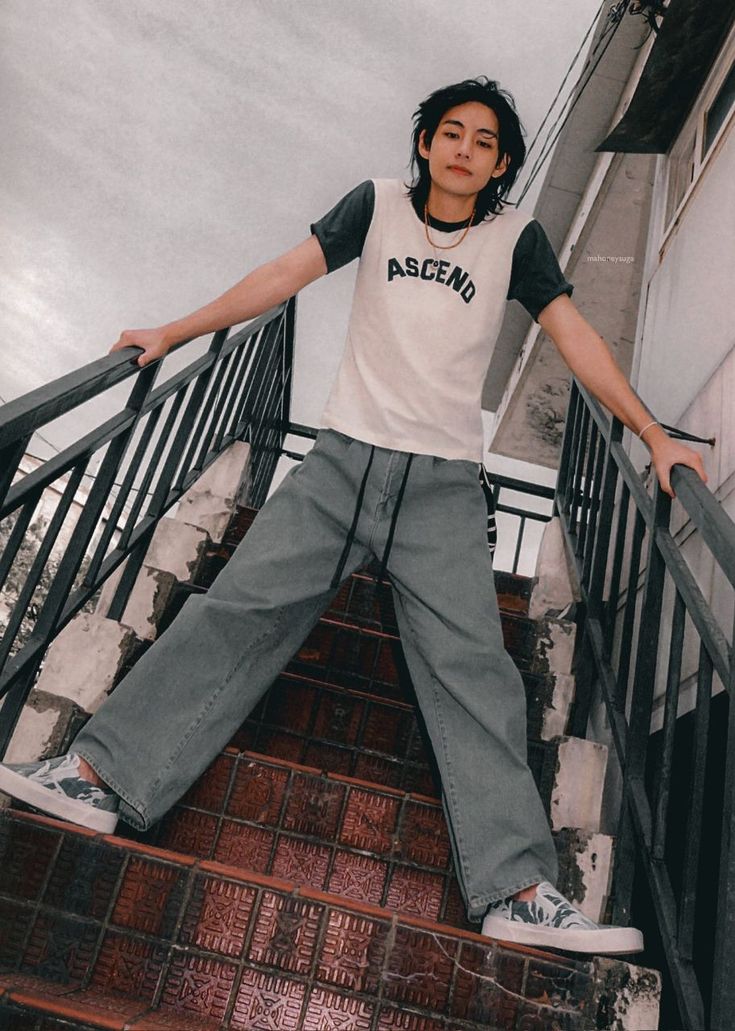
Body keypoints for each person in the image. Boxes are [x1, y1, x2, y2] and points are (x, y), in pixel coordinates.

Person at [0, 77, 707, 955]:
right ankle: (96, 773)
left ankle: (519, 889)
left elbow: (574, 336)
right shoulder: (373, 206)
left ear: (502, 164)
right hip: (340, 459)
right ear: (424, 144)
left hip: (443, 483)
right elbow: (281, 276)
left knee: (474, 670)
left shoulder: (513, 240)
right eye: (450, 133)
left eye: (484, 142)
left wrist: (651, 435)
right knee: (236, 610)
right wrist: (174, 331)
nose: (463, 150)